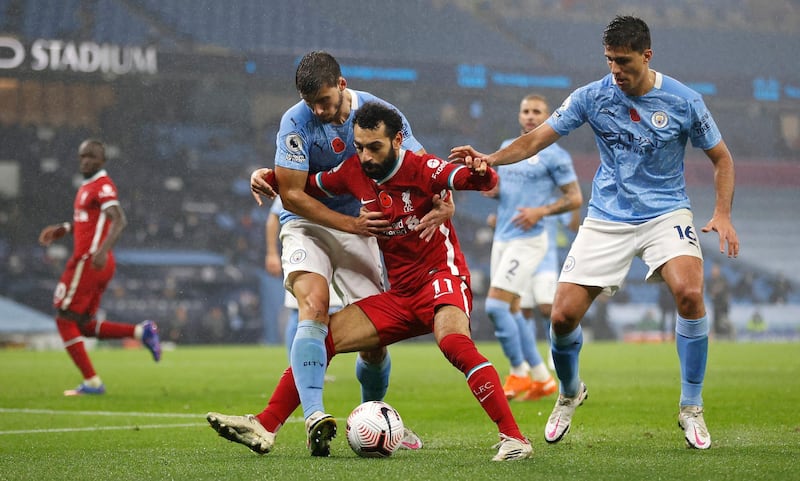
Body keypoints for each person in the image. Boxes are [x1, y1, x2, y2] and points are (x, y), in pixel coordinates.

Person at [451, 15, 739, 450]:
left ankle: (691, 406)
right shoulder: (591, 97)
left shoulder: (684, 101)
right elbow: (533, 141)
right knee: (562, 315)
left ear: (647, 55)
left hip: (666, 212)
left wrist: (722, 213)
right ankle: (569, 392)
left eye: (624, 62)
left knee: (690, 293)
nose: (615, 72)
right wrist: (489, 158)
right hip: (607, 216)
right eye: (609, 61)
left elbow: (722, 158)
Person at [210, 101, 532, 461]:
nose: (365, 156)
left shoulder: (423, 168)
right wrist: (267, 176)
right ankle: (266, 424)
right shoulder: (352, 171)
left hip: (441, 279)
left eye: (374, 147)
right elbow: (308, 186)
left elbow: (474, 179)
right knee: (323, 337)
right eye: (359, 147)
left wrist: (481, 169)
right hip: (401, 295)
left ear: (397, 141)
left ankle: (514, 438)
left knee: (454, 343)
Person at [210, 51, 450, 453]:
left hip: (360, 227)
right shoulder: (295, 122)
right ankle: (314, 415)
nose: (318, 110)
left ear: (342, 85)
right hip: (308, 224)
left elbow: (420, 162)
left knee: (375, 341)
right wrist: (350, 224)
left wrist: (444, 195)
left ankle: (375, 419)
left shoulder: (379, 113)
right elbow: (291, 195)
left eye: (324, 100)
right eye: (310, 103)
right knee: (314, 305)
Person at [37, 139, 162, 396]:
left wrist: (102, 251)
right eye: (82, 156)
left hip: (89, 261)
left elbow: (119, 219)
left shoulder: (102, 185)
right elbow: (89, 222)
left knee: (64, 318)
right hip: (96, 262)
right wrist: (65, 229)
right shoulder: (87, 186)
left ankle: (93, 383)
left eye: (91, 156)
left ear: (102, 161)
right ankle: (142, 331)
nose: (85, 161)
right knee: (82, 325)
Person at [482, 94, 582, 401]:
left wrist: (540, 212)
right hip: (503, 237)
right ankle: (541, 377)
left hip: (531, 240)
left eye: (537, 111)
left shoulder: (555, 155)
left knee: (497, 307)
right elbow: (506, 189)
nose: (529, 116)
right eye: (525, 110)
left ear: (548, 116)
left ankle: (519, 372)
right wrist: (495, 194)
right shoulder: (508, 147)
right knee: (515, 310)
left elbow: (574, 199)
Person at [266, 196, 342, 361]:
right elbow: (274, 216)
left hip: (336, 245)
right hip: (305, 244)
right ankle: (296, 367)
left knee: (329, 309)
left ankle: (312, 363)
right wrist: (272, 253)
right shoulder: (295, 177)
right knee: (299, 310)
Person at [707, 263, 733, 339]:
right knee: (716, 321)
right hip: (715, 304)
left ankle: (729, 334)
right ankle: (717, 336)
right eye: (713, 270)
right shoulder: (710, 280)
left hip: (724, 304)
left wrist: (719, 292)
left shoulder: (723, 279)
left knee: (724, 320)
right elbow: (709, 291)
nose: (714, 271)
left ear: (719, 271)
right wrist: (712, 293)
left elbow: (727, 290)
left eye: (716, 270)